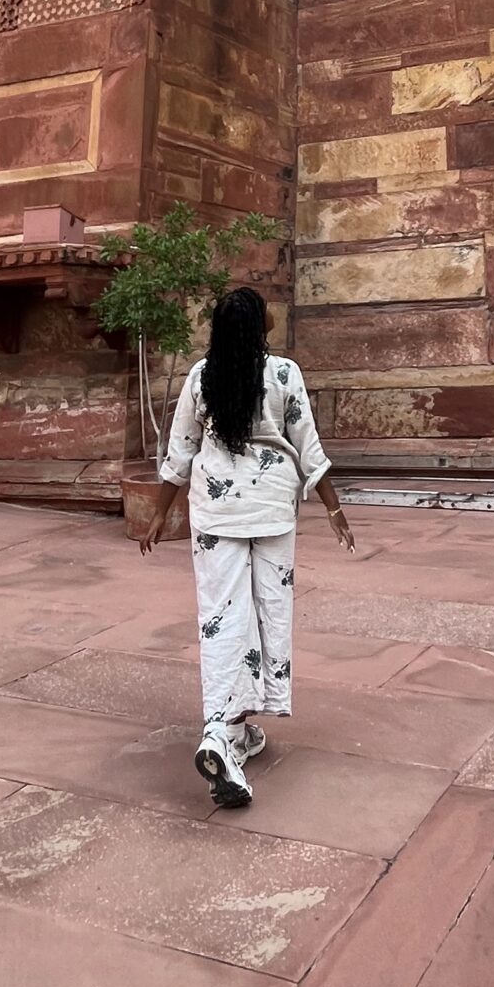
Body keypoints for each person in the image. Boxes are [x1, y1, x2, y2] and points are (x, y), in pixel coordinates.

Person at [140, 286, 356, 806]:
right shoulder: (284, 373)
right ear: (261, 326)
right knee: (267, 612)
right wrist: (333, 508)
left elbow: (180, 453)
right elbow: (309, 448)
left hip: (215, 515)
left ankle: (228, 729)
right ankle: (224, 733)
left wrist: (158, 514)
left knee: (222, 617)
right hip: (272, 512)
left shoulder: (200, 377)